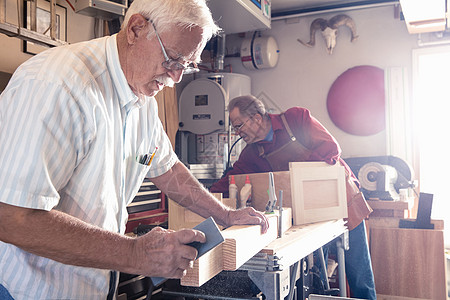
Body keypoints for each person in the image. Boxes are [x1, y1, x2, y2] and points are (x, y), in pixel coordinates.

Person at [0, 2, 269, 299]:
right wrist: (135, 253)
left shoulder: (142, 100)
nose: (175, 79)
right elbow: (12, 218)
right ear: (136, 29)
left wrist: (226, 216)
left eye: (187, 66)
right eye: (173, 60)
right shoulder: (57, 85)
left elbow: (167, 169)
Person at [211, 95, 376, 300]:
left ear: (256, 118)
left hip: (342, 200)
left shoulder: (296, 119)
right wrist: (201, 196)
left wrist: (296, 176)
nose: (237, 132)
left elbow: (331, 149)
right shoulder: (252, 153)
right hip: (309, 215)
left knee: (358, 275)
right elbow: (231, 180)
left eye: (238, 125)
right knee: (317, 282)